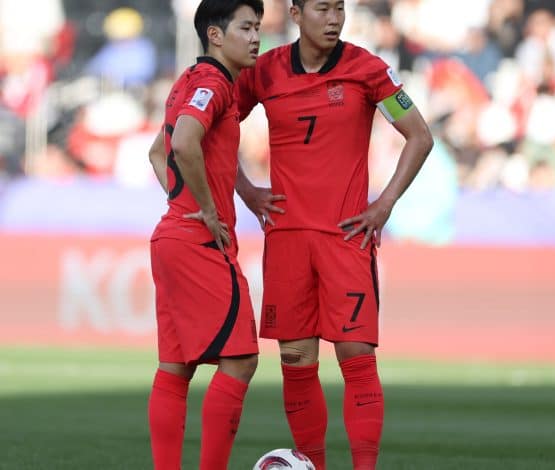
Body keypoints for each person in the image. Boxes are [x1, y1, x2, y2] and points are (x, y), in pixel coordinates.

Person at [234, 1, 433, 468]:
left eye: (339, 8)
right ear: (296, 13)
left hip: (346, 238)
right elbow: (217, 127)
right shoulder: (264, 71)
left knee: (356, 357)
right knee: (296, 361)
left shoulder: (368, 70)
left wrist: (384, 204)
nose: (334, 18)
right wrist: (246, 190)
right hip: (286, 239)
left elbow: (420, 136)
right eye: (322, 8)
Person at [145, 1, 263, 469]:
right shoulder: (214, 84)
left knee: (175, 369)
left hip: (171, 236)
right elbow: (181, 143)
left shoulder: (188, 81)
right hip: (199, 242)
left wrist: (181, 201)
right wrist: (207, 209)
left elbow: (157, 153)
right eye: (246, 28)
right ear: (215, 35)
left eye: (257, 27)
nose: (255, 37)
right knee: (241, 360)